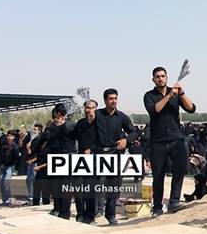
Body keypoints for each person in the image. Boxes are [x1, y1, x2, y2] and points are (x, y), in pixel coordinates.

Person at [144, 67, 197, 218]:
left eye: (163, 76)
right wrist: (168, 96)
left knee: (180, 168)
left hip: (176, 138)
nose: (160, 79)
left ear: (167, 77)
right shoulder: (149, 96)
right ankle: (157, 207)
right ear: (153, 79)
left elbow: (191, 109)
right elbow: (155, 110)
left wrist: (181, 93)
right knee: (158, 175)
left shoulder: (175, 93)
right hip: (158, 141)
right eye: (157, 76)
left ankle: (174, 201)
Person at [95, 89, 138, 225]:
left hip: (115, 154)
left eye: (115, 98)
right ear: (105, 100)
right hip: (99, 154)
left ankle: (111, 215)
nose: (113, 101)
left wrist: (126, 140)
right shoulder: (97, 115)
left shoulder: (122, 117)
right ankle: (96, 211)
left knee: (114, 186)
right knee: (97, 183)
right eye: (110, 99)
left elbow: (134, 132)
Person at [72, 100, 98, 224]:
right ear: (84, 109)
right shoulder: (80, 123)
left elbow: (104, 139)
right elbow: (72, 137)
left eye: (93, 108)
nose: (90, 110)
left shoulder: (100, 123)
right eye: (88, 107)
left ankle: (90, 216)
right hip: (80, 158)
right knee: (77, 187)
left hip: (94, 158)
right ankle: (80, 214)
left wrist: (91, 149)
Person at [0, 130, 20, 206]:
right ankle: (4, 199)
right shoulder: (3, 144)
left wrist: (12, 166)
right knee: (1, 182)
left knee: (6, 182)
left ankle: (8, 199)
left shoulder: (15, 146)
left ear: (14, 137)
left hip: (10, 166)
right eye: (8, 136)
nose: (9, 137)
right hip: (2, 166)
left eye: (11, 136)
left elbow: (16, 157)